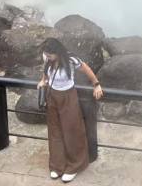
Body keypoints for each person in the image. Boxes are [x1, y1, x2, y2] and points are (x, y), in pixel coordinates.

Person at [38, 38, 103, 182]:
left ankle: (74, 165)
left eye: (49, 55)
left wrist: (96, 84)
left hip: (68, 96)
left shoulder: (71, 60)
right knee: (54, 130)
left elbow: (87, 69)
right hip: (52, 95)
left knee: (71, 130)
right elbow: (45, 66)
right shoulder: (47, 57)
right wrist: (43, 79)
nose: (47, 57)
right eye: (46, 55)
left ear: (57, 52)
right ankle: (57, 165)